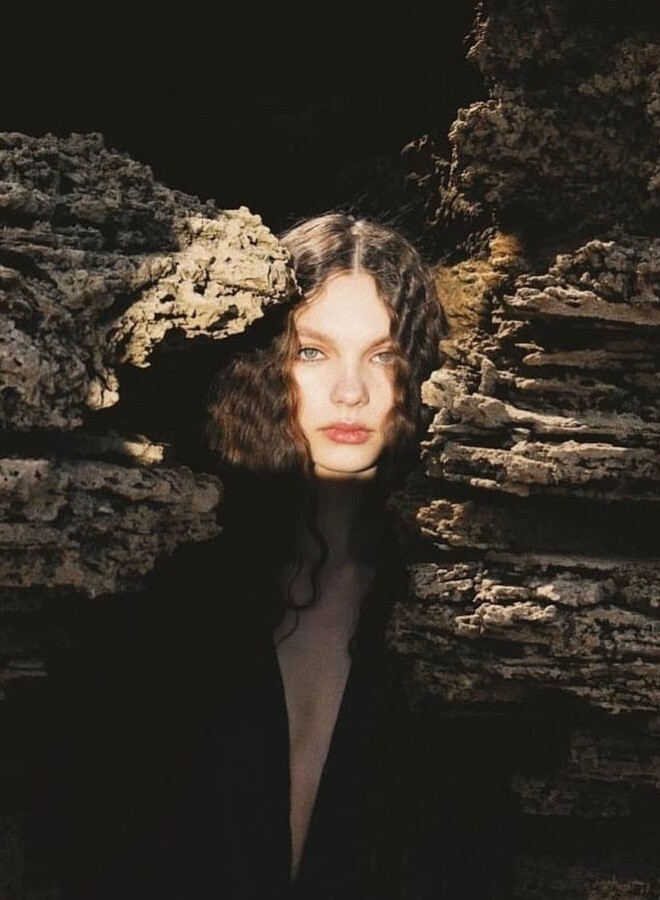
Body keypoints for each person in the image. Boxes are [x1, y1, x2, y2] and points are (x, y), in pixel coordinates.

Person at [71, 212, 511, 899]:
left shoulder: (452, 607)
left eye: (383, 355)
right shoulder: (178, 584)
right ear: (264, 369)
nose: (350, 392)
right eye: (312, 352)